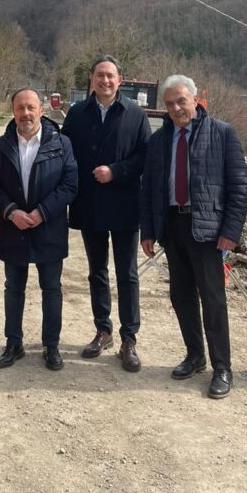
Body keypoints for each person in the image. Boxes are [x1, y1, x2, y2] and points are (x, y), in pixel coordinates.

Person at [140, 75, 247, 399]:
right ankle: (195, 355)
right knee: (181, 296)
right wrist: (148, 231)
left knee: (213, 300)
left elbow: (239, 187)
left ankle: (222, 368)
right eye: (170, 104)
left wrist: (230, 231)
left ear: (195, 99)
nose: (176, 108)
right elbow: (149, 189)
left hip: (208, 231)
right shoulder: (159, 140)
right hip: (172, 226)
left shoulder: (223, 133)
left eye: (181, 101)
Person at [61, 56, 151, 372]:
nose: (105, 80)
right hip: (90, 204)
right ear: (91, 78)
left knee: (127, 274)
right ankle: (103, 330)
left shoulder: (135, 114)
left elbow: (145, 156)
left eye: (110, 75)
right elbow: (64, 153)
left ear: (119, 79)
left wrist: (115, 171)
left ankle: (129, 338)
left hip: (125, 203)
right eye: (100, 75)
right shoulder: (77, 114)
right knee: (97, 271)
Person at [0, 89, 78, 371]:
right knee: (14, 288)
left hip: (49, 227)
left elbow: (70, 185)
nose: (25, 113)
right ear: (13, 110)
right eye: (20, 108)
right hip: (14, 227)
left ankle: (52, 346)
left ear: (41, 110)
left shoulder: (61, 143)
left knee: (51, 289)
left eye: (31, 107)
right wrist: (11, 212)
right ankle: (14, 343)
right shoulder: (1, 146)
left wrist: (41, 212)